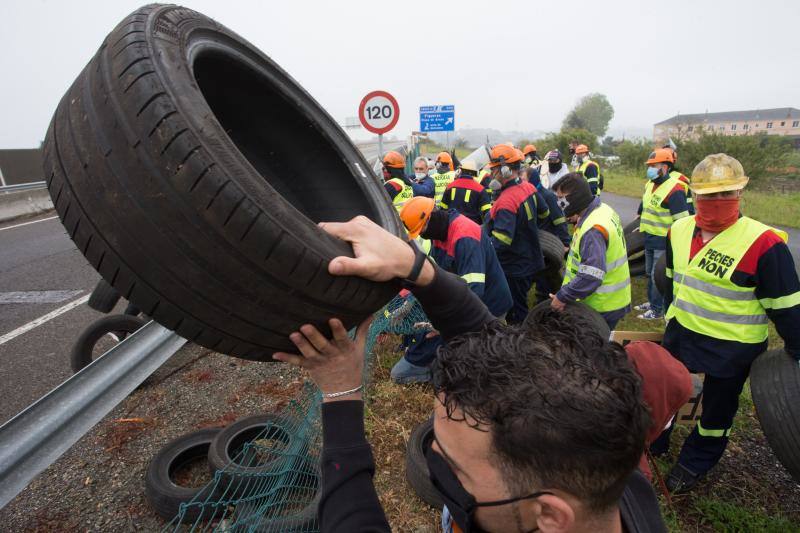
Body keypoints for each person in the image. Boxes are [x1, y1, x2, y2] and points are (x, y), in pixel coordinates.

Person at [272, 215, 666, 532]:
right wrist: (417, 269)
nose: (433, 458)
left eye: (456, 470)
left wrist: (342, 394)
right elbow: (500, 353)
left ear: (550, 516)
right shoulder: (609, 479)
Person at [652, 153, 800, 494]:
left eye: (727, 193)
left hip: (733, 348)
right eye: (709, 195)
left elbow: (788, 308)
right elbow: (673, 283)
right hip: (683, 333)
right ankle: (655, 441)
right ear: (694, 194)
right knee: (667, 392)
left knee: (717, 413)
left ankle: (696, 460)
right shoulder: (679, 230)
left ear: (740, 194)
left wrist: (795, 352)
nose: (718, 202)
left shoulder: (765, 244)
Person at [390, 198, 513, 383]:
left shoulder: (465, 237)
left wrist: (445, 323)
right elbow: (436, 277)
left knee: (478, 362)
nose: (423, 235)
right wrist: (409, 304)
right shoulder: (440, 234)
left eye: (422, 229)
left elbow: (474, 292)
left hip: (488, 308)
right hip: (462, 304)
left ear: (432, 218)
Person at [551, 173, 631, 331]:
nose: (559, 203)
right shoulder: (603, 210)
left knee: (591, 351)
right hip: (612, 299)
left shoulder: (593, 230)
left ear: (576, 199)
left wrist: (563, 296)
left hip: (602, 305)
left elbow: (591, 275)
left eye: (562, 198)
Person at [485, 144, 546, 324]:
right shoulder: (528, 187)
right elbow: (544, 213)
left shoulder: (506, 202)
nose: (491, 174)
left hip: (513, 266)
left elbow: (502, 240)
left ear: (505, 170)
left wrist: (484, 250)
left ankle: (520, 341)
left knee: (515, 310)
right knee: (521, 302)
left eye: (494, 170)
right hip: (530, 257)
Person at [634, 148, 690, 320]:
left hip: (663, 240)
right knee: (649, 273)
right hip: (649, 238)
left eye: (654, 165)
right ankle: (652, 303)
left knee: (657, 275)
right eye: (649, 165)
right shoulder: (650, 185)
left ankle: (658, 310)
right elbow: (646, 208)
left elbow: (683, 221)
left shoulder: (675, 190)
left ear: (665, 167)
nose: (649, 168)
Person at [528, 165, 571, 247]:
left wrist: (565, 243)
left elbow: (559, 220)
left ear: (531, 180)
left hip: (547, 243)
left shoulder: (548, 196)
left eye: (523, 179)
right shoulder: (529, 196)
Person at [439, 160, 493, 224]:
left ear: (461, 171)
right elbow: (487, 213)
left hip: (452, 224)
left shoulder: (450, 186)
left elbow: (442, 209)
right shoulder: (480, 189)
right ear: (474, 173)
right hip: (472, 227)